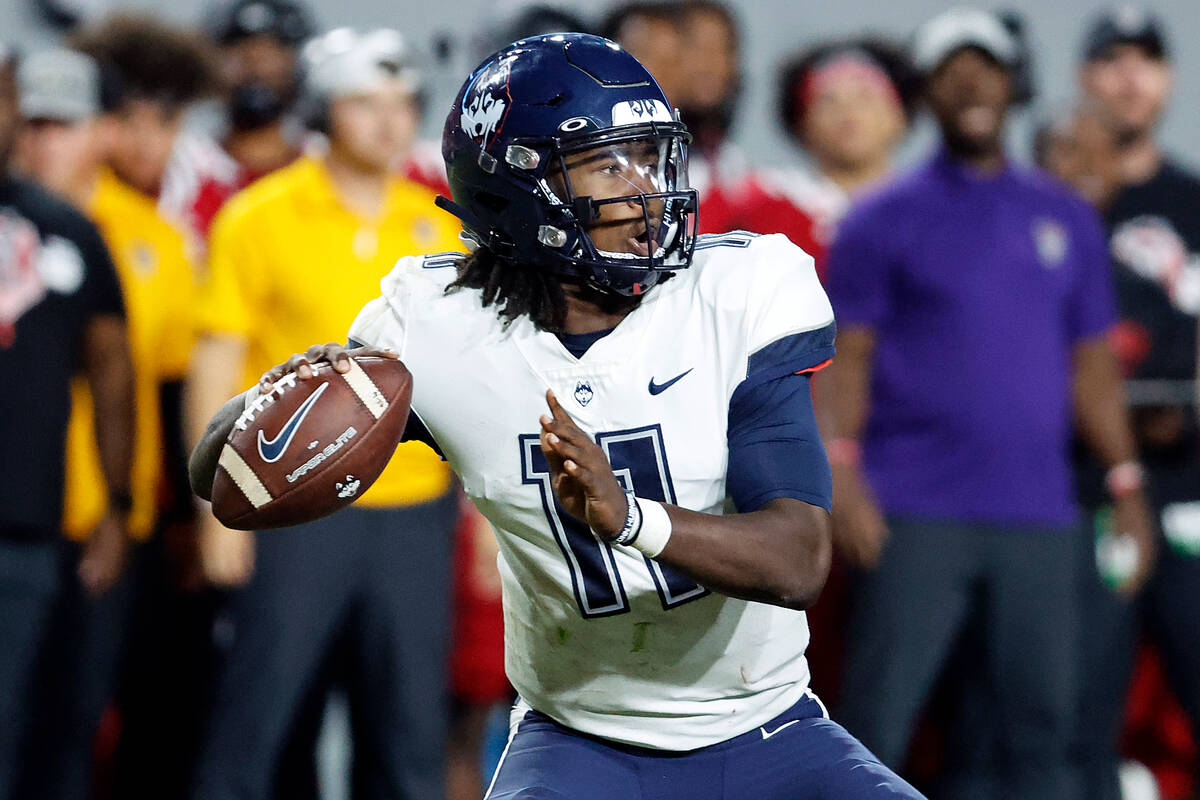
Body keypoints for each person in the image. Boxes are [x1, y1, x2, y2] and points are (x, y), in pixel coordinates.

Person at [190, 32, 925, 800]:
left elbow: (798, 558)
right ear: (520, 188)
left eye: (650, 155)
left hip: (769, 728)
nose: (646, 190)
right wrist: (284, 395)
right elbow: (222, 472)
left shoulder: (739, 291)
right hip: (581, 743)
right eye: (610, 163)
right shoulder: (434, 326)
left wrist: (631, 519)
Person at [825, 9, 1153, 799]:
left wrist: (1126, 481)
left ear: (1012, 84)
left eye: (987, 67)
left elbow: (1092, 367)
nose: (971, 84)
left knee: (1044, 732)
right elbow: (845, 358)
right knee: (877, 726)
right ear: (928, 93)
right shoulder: (881, 218)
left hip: (1039, 517)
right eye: (950, 71)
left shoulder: (1065, 217)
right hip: (913, 512)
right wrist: (841, 472)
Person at [187, 27, 463, 800]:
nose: (388, 121)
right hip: (289, 509)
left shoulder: (442, 230)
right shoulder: (259, 215)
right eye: (364, 103)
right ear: (322, 109)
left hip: (415, 510)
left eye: (402, 103)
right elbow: (215, 366)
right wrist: (214, 510)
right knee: (256, 725)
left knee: (409, 738)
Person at [12, 28, 207, 797]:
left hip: (109, 530)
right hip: (15, 522)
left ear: (103, 131)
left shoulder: (155, 241)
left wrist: (181, 521)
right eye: (30, 123)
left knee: (79, 724)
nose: (41, 142)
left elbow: (169, 388)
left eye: (60, 125)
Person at [1071, 8, 1200, 797]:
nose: (1130, 76)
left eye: (1147, 60)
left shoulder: (1194, 200)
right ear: (1085, 78)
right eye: (1112, 59)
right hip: (1082, 495)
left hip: (1188, 490)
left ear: (1170, 78)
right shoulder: (1054, 203)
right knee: (1081, 711)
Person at [0, 46, 134, 800]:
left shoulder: (69, 231)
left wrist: (118, 507)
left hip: (28, 531)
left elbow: (113, 376)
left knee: (31, 727)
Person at [741, 38, 915, 269]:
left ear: (899, 116)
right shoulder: (764, 214)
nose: (848, 110)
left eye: (865, 96)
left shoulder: (932, 213)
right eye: (827, 100)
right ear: (801, 125)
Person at [160, 0, 315, 245]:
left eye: (270, 53)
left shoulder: (326, 160)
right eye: (238, 52)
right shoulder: (181, 167)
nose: (255, 68)